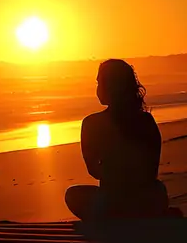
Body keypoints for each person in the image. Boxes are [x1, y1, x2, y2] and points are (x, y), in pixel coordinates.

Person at [65, 59, 174, 221]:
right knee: (157, 190)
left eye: (100, 82)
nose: (98, 88)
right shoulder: (145, 120)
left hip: (115, 200)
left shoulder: (91, 123)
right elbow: (152, 170)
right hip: (147, 200)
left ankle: (117, 217)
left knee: (73, 195)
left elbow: (94, 171)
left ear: (113, 86)